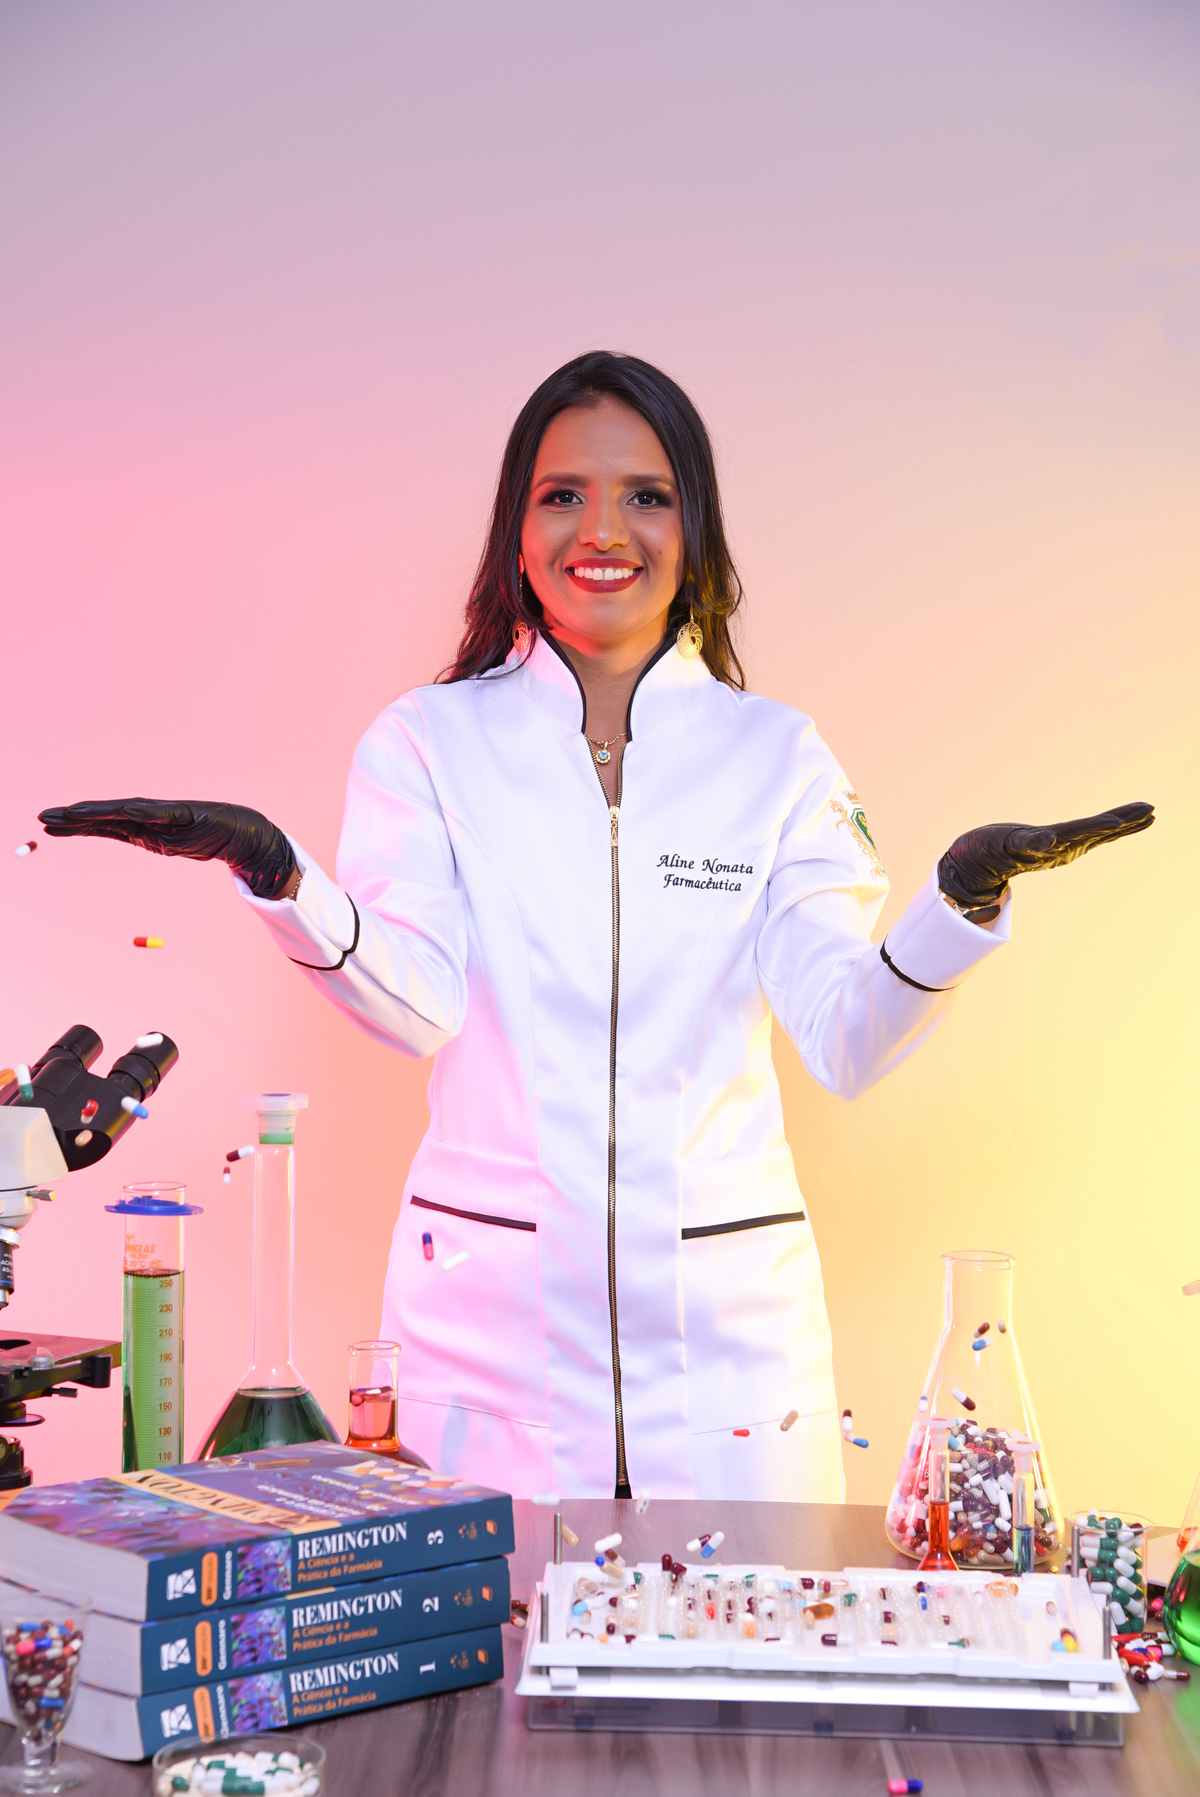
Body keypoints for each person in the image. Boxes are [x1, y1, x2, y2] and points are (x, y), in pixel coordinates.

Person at [40, 351, 1153, 1503]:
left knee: (740, 1613)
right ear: (517, 535)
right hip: (489, 1330)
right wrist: (279, 876)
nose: (604, 530)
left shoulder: (777, 757)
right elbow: (419, 1006)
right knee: (495, 1614)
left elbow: (846, 1035)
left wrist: (960, 901)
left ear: (695, 530)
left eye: (647, 495)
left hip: (731, 1352)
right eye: (563, 494)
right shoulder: (427, 743)